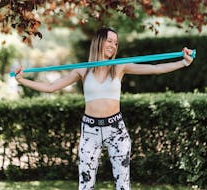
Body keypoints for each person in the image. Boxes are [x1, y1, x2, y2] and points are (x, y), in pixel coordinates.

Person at [14, 27, 194, 190]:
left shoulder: (119, 67)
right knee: (85, 185)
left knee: (123, 185)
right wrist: (22, 80)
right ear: (99, 41)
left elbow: (155, 69)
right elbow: (51, 87)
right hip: (90, 130)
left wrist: (184, 62)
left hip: (116, 129)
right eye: (110, 41)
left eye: (116, 43)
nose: (113, 45)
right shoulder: (82, 70)